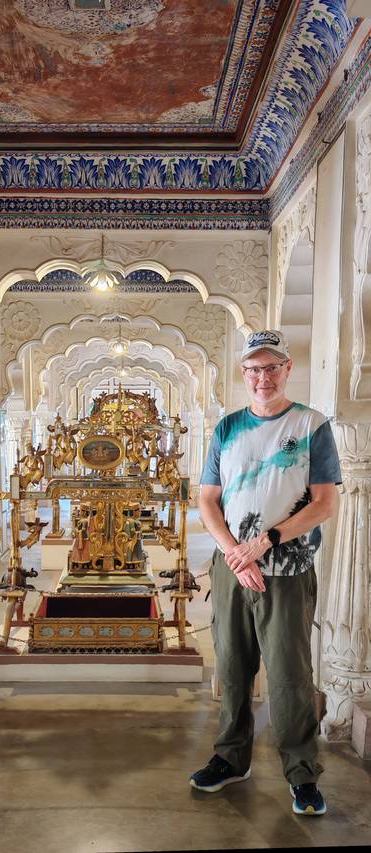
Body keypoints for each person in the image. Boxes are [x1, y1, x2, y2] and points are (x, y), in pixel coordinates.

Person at [191, 329, 341, 817]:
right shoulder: (227, 428)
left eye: (272, 367)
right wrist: (235, 552)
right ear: (243, 373)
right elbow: (207, 500)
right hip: (233, 567)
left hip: (287, 568)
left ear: (287, 368)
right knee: (232, 668)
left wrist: (263, 543)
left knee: (289, 675)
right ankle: (230, 758)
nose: (263, 377)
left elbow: (324, 503)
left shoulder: (311, 426)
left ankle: (302, 775)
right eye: (254, 369)